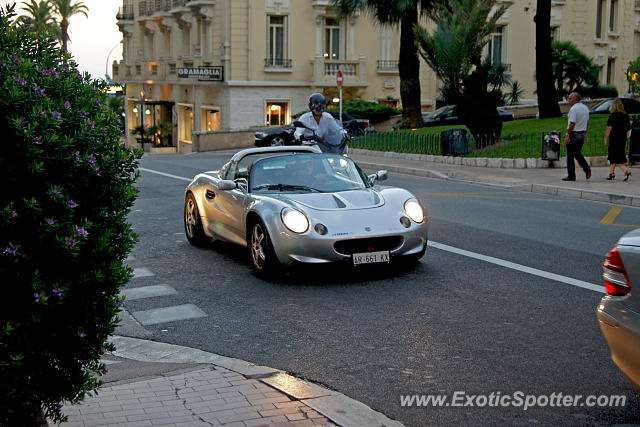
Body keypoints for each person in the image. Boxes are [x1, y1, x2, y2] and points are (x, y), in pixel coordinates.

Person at [562, 92, 591, 181]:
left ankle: (571, 175)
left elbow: (572, 123)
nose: (568, 100)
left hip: (574, 134)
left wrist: (567, 135)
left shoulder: (573, 109)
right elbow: (587, 121)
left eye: (570, 98)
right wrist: (585, 133)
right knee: (577, 154)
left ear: (576, 99)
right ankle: (586, 169)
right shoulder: (585, 108)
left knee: (570, 155)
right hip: (581, 133)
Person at [604, 98, 632, 181]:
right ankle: (611, 173)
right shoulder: (625, 115)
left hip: (614, 139)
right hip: (622, 138)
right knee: (616, 155)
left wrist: (605, 138)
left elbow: (609, 128)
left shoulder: (613, 115)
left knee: (615, 157)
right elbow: (629, 127)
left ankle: (626, 171)